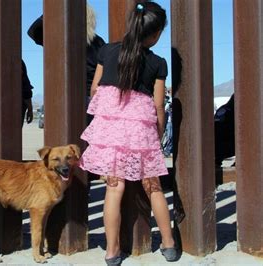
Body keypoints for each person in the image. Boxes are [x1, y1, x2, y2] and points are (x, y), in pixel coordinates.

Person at [79, 2, 177, 265]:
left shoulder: (107, 51)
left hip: (111, 129)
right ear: (155, 34)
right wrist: (156, 134)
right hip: (140, 129)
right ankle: (168, 244)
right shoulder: (158, 62)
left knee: (114, 188)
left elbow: (95, 91)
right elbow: (158, 105)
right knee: (153, 187)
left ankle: (112, 251)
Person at [27, 3, 105, 124]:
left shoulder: (60, 39)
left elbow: (33, 31)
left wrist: (53, 13)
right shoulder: (98, 42)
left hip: (63, 95)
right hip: (89, 98)